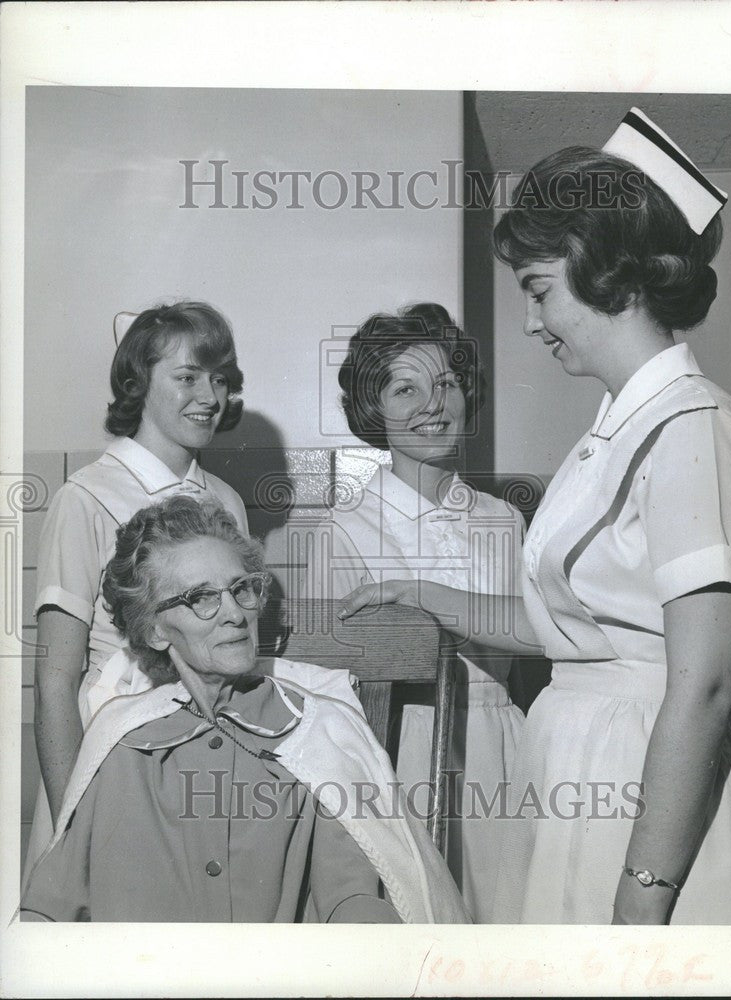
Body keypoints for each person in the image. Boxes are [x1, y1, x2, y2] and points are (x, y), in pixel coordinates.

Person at [338, 109, 731, 925]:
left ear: (606, 268)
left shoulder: (691, 426)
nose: (531, 322)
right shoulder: (616, 432)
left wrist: (644, 894)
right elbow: (575, 628)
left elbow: (705, 682)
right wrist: (427, 594)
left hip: (654, 789)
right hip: (585, 770)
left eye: (538, 290)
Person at [20, 496, 469, 923]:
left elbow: (354, 900)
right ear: (155, 629)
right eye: (201, 597)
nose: (234, 613)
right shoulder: (119, 742)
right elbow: (51, 908)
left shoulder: (316, 733)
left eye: (241, 589)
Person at [298, 303, 525, 921]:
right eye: (407, 388)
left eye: (446, 383)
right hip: (400, 753)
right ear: (374, 409)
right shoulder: (342, 532)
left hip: (506, 750)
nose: (433, 404)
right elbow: (327, 699)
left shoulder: (506, 520)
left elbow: (537, 645)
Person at [32, 302, 248, 837]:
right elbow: (56, 680)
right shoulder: (84, 497)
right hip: (114, 750)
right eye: (186, 377)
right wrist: (72, 822)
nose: (209, 397)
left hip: (211, 744)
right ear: (137, 384)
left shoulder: (227, 501)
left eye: (220, 379)